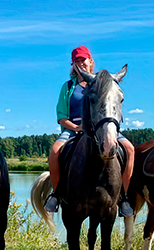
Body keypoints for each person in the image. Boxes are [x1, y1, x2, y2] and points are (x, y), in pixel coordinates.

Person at [44, 46, 134, 216]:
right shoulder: (68, 87)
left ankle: (123, 196)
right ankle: (55, 194)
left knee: (129, 148)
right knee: (55, 151)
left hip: (102, 128)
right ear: (73, 65)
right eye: (77, 61)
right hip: (74, 129)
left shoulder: (102, 82)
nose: (81, 63)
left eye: (83, 60)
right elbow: (62, 116)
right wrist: (76, 127)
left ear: (90, 61)